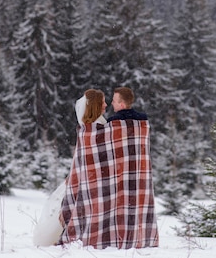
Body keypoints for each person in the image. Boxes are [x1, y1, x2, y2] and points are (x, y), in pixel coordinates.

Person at [58, 87, 159, 249]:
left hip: (109, 179)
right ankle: (132, 236)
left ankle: (102, 235)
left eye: (111, 100)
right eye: (104, 102)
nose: (108, 104)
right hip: (130, 178)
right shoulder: (140, 122)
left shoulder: (108, 125)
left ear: (121, 102)